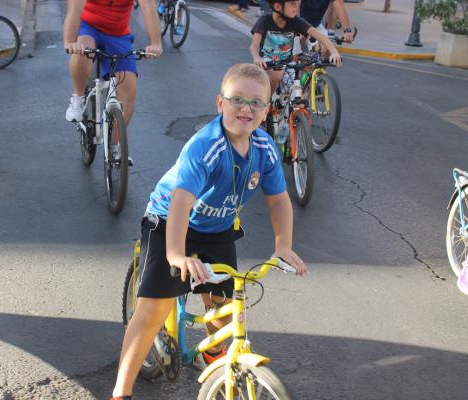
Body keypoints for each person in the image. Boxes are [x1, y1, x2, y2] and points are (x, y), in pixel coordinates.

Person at [110, 63, 308, 400]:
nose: (246, 108)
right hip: (169, 221)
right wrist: (175, 254)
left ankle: (215, 360)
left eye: (256, 103)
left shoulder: (265, 150)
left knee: (221, 305)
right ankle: (121, 391)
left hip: (216, 227)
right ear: (220, 104)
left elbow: (278, 201)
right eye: (237, 100)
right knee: (153, 310)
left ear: (266, 110)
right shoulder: (206, 146)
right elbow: (180, 203)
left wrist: (283, 246)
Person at [63, 0, 162, 129]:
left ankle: (115, 146)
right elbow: (75, 7)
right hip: (88, 27)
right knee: (81, 51)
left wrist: (155, 43)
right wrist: (70, 41)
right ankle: (78, 96)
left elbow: (148, 5)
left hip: (118, 34)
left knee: (128, 94)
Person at [249, 0, 342, 96]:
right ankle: (267, 105)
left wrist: (334, 52)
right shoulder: (265, 21)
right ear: (277, 7)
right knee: (275, 76)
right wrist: (257, 57)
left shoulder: (296, 21)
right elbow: (254, 46)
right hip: (267, 62)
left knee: (298, 96)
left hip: (287, 64)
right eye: (293, 4)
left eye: (298, 5)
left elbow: (321, 37)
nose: (297, 8)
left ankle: (294, 105)